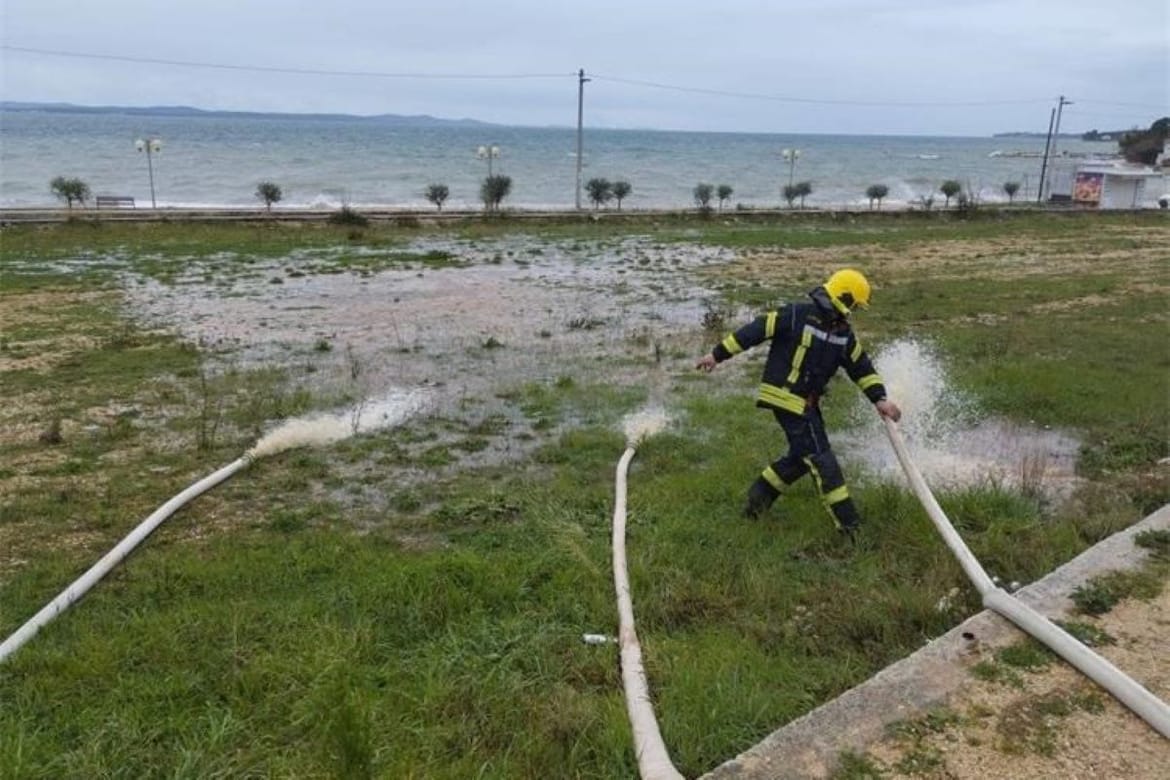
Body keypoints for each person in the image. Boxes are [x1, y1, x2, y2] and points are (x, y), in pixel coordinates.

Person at [696, 269, 901, 536]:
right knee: (822, 462)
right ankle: (852, 531)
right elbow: (755, 330)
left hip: (806, 404)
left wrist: (880, 399)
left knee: (801, 457)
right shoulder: (796, 314)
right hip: (787, 399)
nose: (853, 313)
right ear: (843, 298)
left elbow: (861, 367)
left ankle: (757, 501)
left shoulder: (843, 334)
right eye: (854, 306)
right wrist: (716, 355)